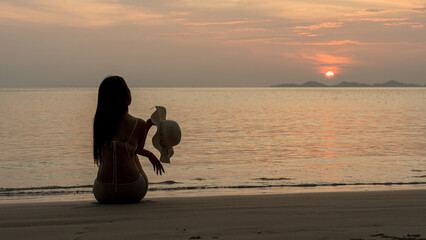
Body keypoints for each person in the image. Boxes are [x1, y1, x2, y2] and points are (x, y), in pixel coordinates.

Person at [92, 76, 164, 204]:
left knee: (117, 149)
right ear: (127, 97)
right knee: (131, 154)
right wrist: (147, 127)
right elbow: (137, 149)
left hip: (102, 193)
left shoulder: (100, 124)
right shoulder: (139, 124)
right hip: (133, 191)